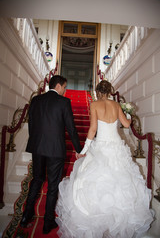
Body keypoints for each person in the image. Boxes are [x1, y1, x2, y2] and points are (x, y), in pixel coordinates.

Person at [55, 80, 154, 238]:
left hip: (101, 146)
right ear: (109, 92)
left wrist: (83, 150)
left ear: (98, 92)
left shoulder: (94, 105)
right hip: (116, 146)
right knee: (119, 182)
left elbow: (93, 129)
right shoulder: (116, 106)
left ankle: (99, 222)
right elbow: (127, 125)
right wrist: (128, 115)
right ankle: (116, 224)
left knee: (95, 182)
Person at [20, 75, 82, 234]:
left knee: (37, 179)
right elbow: (71, 127)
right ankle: (48, 222)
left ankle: (26, 216)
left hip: (38, 147)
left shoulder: (35, 100)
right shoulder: (64, 102)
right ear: (59, 86)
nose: (65, 90)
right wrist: (78, 148)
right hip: (55, 149)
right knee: (53, 185)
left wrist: (35, 142)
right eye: (65, 87)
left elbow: (31, 124)